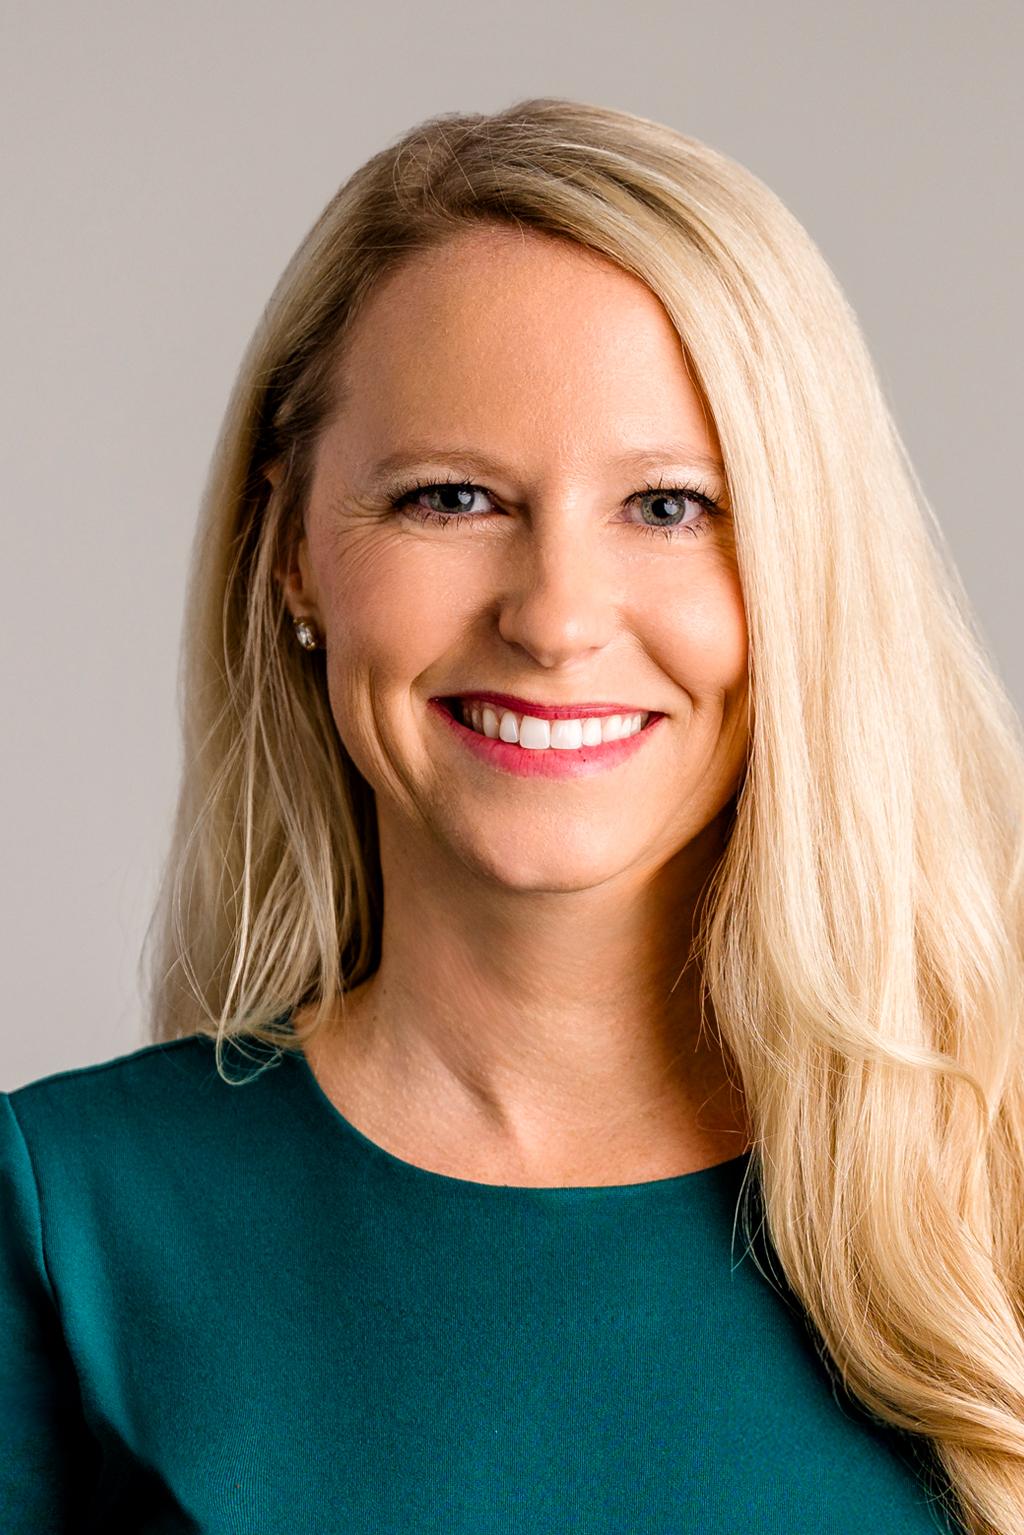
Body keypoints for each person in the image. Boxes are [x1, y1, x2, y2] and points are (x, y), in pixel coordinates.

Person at [2, 97, 1021, 1534]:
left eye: (669, 507)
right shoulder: (65, 1225)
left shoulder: (1002, 1191)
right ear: (291, 551)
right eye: (453, 498)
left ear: (807, 566)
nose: (553, 618)